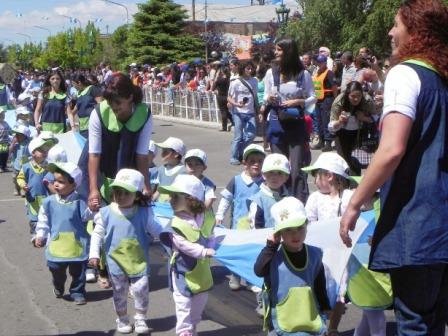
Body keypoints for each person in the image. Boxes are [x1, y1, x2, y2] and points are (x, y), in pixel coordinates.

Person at [340, 1, 448, 335]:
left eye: (396, 24)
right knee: (434, 321)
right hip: (442, 222)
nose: (390, 32)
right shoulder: (441, 80)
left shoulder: (405, 73)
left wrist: (356, 202)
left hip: (417, 221)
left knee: (413, 323)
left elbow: (390, 150)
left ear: (416, 31)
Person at [89, 168, 162, 334]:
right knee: (119, 293)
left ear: (136, 195)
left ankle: (141, 319)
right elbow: (97, 234)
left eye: (126, 193)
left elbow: (157, 230)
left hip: (138, 261)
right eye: (117, 192)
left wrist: (171, 241)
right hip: (116, 263)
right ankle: (122, 319)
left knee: (141, 289)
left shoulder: (144, 212)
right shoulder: (105, 213)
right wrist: (94, 254)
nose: (120, 196)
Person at [254, 196, 331, 336]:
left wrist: (325, 306)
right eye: (288, 229)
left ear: (307, 226)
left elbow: (320, 283)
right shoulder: (273, 255)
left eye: (300, 228)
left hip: (309, 316)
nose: (295, 234)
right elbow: (259, 271)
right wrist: (271, 247)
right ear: (279, 232)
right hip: (282, 318)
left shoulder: (315, 254)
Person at [302, 152, 354, 335]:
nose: (315, 180)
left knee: (340, 291)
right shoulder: (315, 198)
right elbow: (307, 221)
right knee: (320, 288)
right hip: (320, 255)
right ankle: (320, 324)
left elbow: (359, 213)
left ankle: (333, 327)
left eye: (317, 175)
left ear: (329, 176)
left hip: (341, 255)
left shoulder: (348, 196)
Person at [158, 174, 216, 336]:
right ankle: (184, 331)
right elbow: (183, 245)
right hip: (182, 272)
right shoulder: (176, 223)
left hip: (201, 272)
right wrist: (204, 251)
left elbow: (210, 234)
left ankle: (192, 327)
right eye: (171, 196)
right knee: (183, 303)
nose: (171, 199)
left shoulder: (205, 217)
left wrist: (211, 245)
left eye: (176, 196)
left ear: (191, 199)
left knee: (199, 303)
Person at [87, 72, 152, 211]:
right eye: (110, 102)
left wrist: (146, 185)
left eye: (118, 102)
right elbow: (94, 154)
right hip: (104, 171)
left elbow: (142, 154)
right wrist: (93, 189)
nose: (114, 107)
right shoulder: (98, 113)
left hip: (131, 173)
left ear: (130, 97)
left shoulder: (144, 113)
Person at [263, 38, 316, 202]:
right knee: (279, 166)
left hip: (296, 125)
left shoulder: (303, 74)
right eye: (275, 49)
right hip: (277, 123)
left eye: (279, 49)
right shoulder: (271, 73)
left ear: (288, 52)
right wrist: (268, 98)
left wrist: (299, 102)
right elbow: (264, 96)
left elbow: (313, 97)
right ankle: (279, 201)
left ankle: (298, 201)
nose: (276, 53)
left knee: (296, 168)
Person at [34, 162, 90, 305]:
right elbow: (43, 221)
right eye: (55, 181)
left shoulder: (80, 202)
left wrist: (93, 208)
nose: (56, 185)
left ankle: (77, 292)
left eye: (61, 182)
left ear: (73, 185)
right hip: (56, 245)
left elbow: (88, 216)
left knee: (78, 272)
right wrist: (40, 235)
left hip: (76, 245)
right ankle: (58, 285)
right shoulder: (48, 202)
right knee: (55, 268)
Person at [215, 144, 265, 290]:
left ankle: (251, 279)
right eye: (252, 161)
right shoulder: (236, 181)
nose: (256, 164)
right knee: (237, 252)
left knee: (254, 253)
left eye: (260, 161)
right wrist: (219, 215)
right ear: (245, 163)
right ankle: (235, 276)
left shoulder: (265, 182)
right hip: (238, 225)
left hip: (257, 226)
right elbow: (226, 199)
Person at [248, 152, 290, 316]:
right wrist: (263, 242)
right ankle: (263, 302)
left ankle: (282, 300)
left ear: (286, 177)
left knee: (282, 275)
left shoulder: (288, 196)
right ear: (264, 175)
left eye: (279, 173)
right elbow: (254, 225)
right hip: (266, 246)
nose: (275, 177)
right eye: (271, 173)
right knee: (264, 275)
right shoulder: (258, 199)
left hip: (285, 245)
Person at [328, 81, 377, 175]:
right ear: (347, 94)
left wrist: (364, 118)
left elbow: (376, 118)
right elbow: (330, 126)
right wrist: (339, 122)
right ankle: (344, 186)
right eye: (353, 96)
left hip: (359, 133)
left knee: (355, 162)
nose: (356, 99)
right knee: (343, 163)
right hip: (342, 133)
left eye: (359, 96)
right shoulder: (339, 101)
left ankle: (355, 187)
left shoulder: (367, 100)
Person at [16, 137, 54, 241]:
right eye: (41, 150)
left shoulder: (48, 166)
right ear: (33, 153)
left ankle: (46, 233)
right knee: (34, 218)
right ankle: (34, 234)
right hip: (32, 197)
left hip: (46, 196)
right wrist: (23, 185)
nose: (45, 152)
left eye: (46, 150)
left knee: (46, 215)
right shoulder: (26, 166)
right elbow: (20, 178)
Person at [227, 60, 259, 165]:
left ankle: (240, 150)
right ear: (242, 69)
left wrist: (258, 110)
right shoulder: (235, 82)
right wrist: (236, 104)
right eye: (247, 68)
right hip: (238, 112)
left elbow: (255, 97)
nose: (250, 70)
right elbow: (229, 97)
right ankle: (234, 157)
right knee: (238, 136)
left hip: (250, 112)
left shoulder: (255, 81)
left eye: (251, 68)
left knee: (251, 134)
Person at [311, 54, 339, 152]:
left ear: (325, 63)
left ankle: (328, 143)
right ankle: (321, 141)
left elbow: (334, 87)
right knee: (319, 121)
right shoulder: (318, 72)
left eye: (320, 63)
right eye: (317, 62)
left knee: (326, 120)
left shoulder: (329, 73)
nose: (319, 64)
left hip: (327, 99)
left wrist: (335, 100)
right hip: (318, 100)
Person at [152, 137, 186, 202]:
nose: (162, 153)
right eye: (162, 150)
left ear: (176, 154)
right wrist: (151, 200)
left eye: (166, 151)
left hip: (173, 207)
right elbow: (159, 190)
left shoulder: (183, 171)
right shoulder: (161, 169)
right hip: (160, 206)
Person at [68, 73, 103, 137]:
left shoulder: (92, 89)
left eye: (73, 84)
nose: (73, 87)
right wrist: (69, 117)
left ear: (79, 82)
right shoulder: (79, 94)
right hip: (83, 128)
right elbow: (76, 108)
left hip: (94, 126)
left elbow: (101, 106)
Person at [34, 69, 68, 134]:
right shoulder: (43, 94)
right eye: (53, 79)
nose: (55, 81)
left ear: (61, 80)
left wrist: (73, 126)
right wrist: (36, 123)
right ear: (49, 80)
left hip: (60, 128)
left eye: (58, 78)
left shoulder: (65, 95)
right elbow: (37, 110)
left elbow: (69, 113)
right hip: (44, 128)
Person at [184, 149, 216, 214]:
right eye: (190, 164)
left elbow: (209, 200)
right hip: (186, 214)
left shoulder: (207, 184)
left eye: (197, 164)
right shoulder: (182, 180)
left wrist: (199, 213)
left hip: (201, 216)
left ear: (204, 167)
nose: (193, 167)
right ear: (185, 166)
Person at [10, 124, 31, 196]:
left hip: (25, 165)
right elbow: (10, 151)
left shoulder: (28, 143)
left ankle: (23, 189)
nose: (17, 136)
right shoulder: (16, 144)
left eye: (19, 134)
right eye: (16, 134)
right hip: (16, 165)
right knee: (14, 178)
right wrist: (12, 143)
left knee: (24, 178)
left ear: (25, 135)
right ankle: (16, 188)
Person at [0, 107, 11, 172]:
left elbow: (10, 130)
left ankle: (4, 166)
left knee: (5, 154)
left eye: (3, 114)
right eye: (1, 114)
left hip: (6, 142)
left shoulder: (5, 123)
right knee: (0, 155)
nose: (3, 115)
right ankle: (0, 167)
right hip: (0, 142)